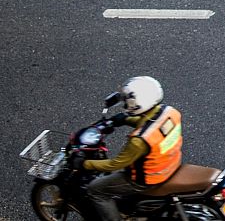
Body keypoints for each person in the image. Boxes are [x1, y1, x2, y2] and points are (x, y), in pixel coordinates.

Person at [79, 76, 184, 221]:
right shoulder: (170, 112)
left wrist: (86, 164)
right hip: (170, 163)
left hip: (146, 179)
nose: (126, 103)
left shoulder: (139, 141)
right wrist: (123, 119)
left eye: (128, 100)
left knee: (96, 190)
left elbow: (115, 164)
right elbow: (152, 125)